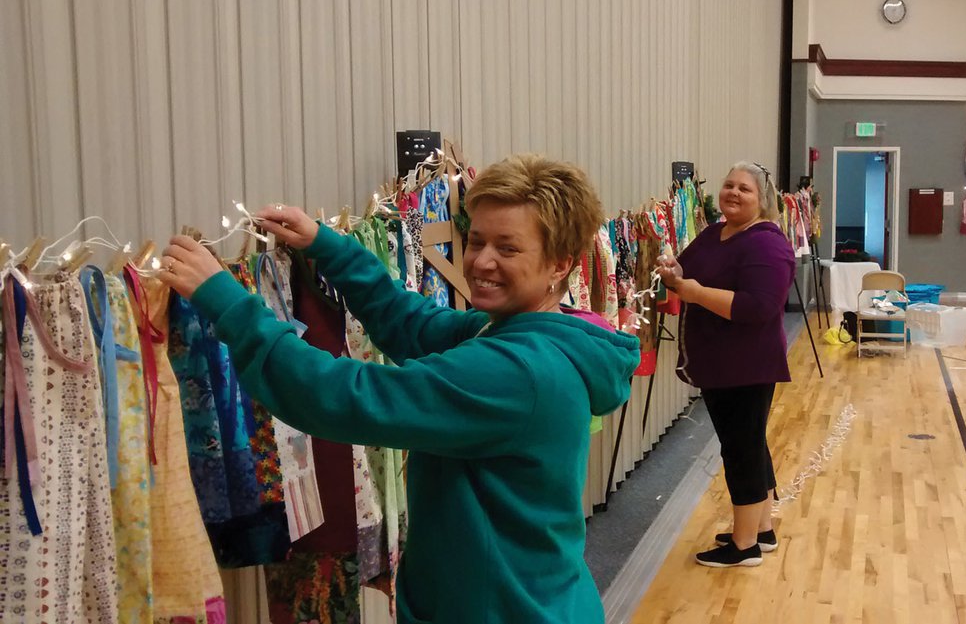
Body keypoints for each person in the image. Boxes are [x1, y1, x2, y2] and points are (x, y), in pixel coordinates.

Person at [159, 154, 640, 623]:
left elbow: (348, 396)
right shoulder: (531, 331)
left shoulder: (518, 371)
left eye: (508, 249)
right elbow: (415, 324)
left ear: (559, 265)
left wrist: (227, 302)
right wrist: (328, 247)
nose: (481, 261)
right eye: (476, 241)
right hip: (527, 596)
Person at [656, 161, 796, 568]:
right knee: (750, 443)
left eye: (744, 189)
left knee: (741, 450)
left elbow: (759, 306)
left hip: (746, 365)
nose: (733, 193)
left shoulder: (766, 244)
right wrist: (674, 273)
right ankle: (762, 530)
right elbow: (689, 270)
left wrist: (696, 293)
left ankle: (744, 545)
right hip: (722, 364)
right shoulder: (715, 233)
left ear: (762, 199)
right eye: (729, 185)